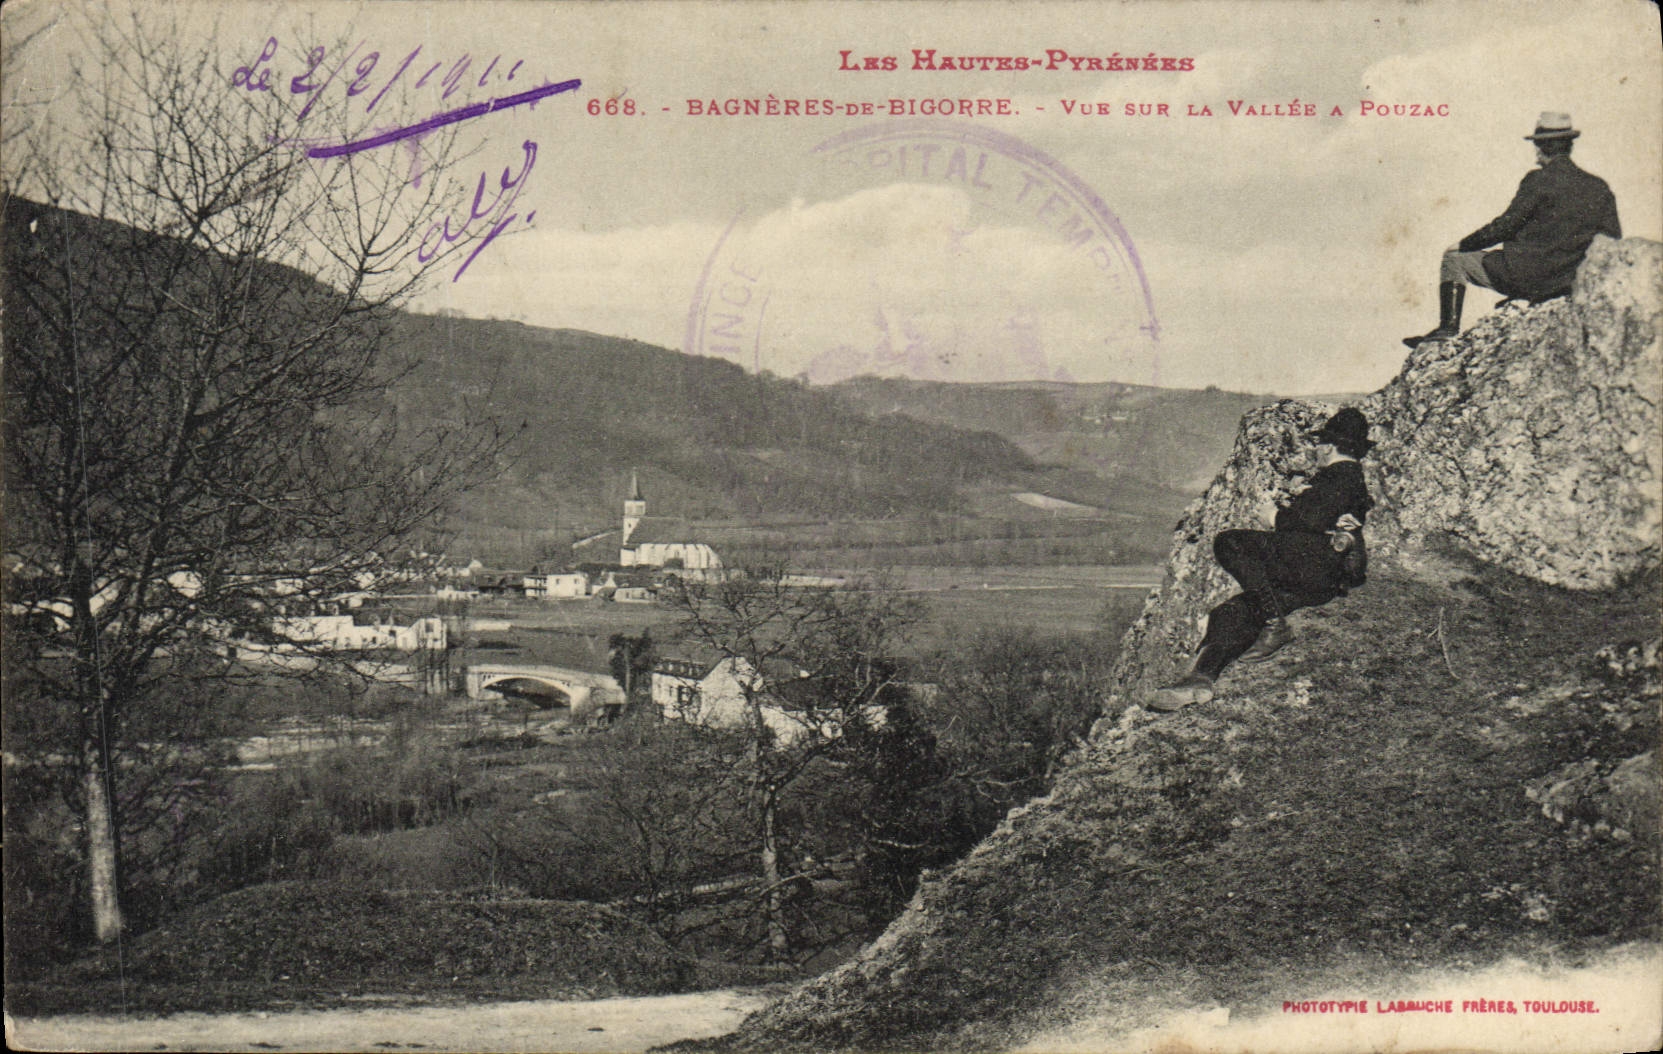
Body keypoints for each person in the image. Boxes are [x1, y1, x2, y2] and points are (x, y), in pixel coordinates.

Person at [1145, 408, 1375, 713]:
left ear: (1328, 447)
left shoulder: (1340, 476)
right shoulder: (1348, 480)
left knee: (1230, 541)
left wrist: (1274, 516)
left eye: (1318, 446)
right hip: (1310, 577)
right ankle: (1200, 679)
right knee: (1231, 611)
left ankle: (1272, 624)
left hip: (1312, 569)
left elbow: (1309, 519)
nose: (1315, 452)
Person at [1403, 112, 1621, 350]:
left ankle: (1447, 330)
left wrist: (1464, 244)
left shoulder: (1538, 179)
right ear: (1569, 146)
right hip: (1567, 281)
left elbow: (1506, 225)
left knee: (1454, 260)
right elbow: (1612, 239)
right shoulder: (1598, 187)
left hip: (1526, 277)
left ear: (1540, 147)